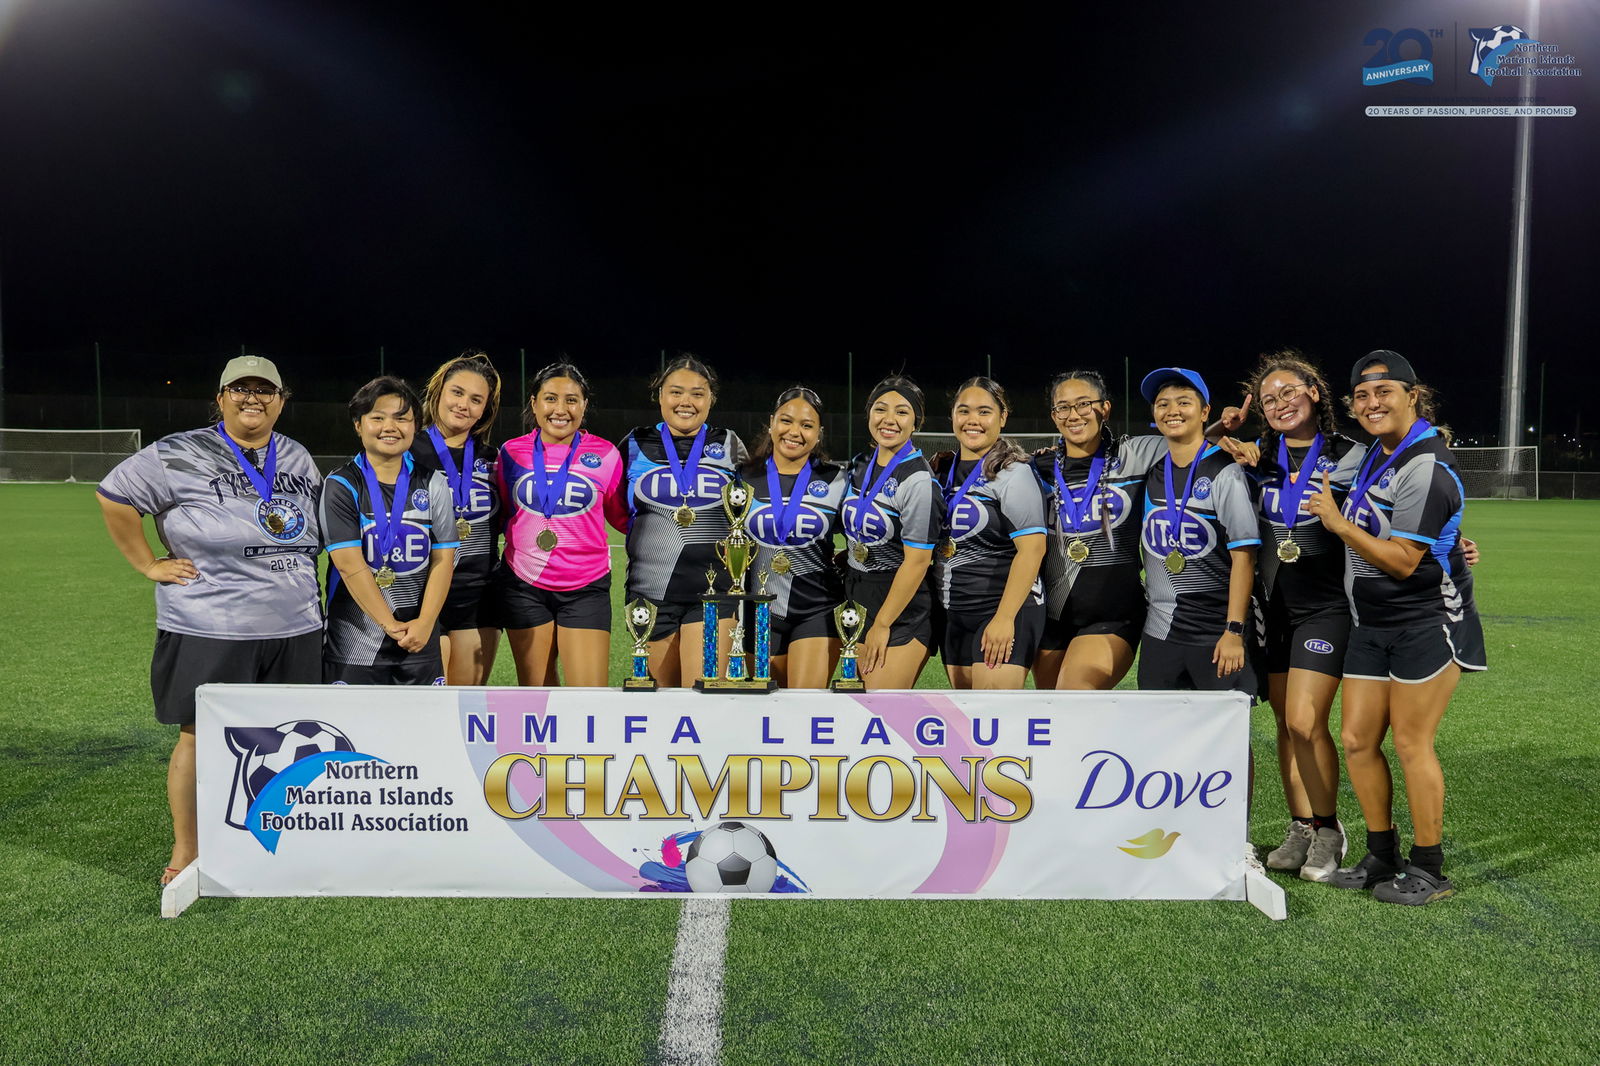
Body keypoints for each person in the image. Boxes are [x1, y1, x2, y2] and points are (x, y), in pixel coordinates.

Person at [98, 355, 323, 886]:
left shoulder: (294, 454)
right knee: (197, 738)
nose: (253, 398)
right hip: (210, 622)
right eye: (240, 389)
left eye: (265, 390)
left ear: (281, 400)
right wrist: (147, 562)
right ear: (220, 398)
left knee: (287, 737)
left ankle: (275, 841)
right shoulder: (177, 450)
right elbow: (114, 496)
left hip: (294, 624)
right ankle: (188, 851)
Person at [1307, 350, 1485, 905]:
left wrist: (1336, 524)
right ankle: (1381, 854)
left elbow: (1405, 560)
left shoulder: (1425, 464)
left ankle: (1429, 869)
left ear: (1413, 395)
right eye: (1361, 395)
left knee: (1411, 742)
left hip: (1427, 622)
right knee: (1358, 740)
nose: (1371, 403)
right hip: (1372, 623)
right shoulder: (1375, 456)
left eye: (1384, 392)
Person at [1222, 352, 1367, 882]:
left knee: (1307, 721)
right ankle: (1302, 826)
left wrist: (1453, 543)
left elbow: (1395, 504)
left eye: (1288, 393)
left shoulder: (1353, 456)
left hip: (1326, 608)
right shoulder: (1258, 456)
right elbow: (1195, 452)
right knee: (1286, 724)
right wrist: (1223, 426)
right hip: (1272, 609)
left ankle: (1329, 829)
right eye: (1268, 399)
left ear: (1313, 392)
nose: (1279, 404)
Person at [1030, 370, 1169, 691]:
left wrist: (1229, 437)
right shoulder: (1037, 469)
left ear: (1105, 408)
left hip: (1113, 615)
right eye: (1062, 407)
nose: (1073, 414)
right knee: (1052, 713)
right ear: (1053, 416)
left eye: (1083, 404)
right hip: (1052, 615)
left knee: (1074, 694)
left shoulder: (1137, 453)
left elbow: (1189, 443)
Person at [495, 362, 629, 686]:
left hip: (586, 586)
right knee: (538, 694)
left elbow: (622, 516)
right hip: (524, 585)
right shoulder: (511, 453)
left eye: (571, 400)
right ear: (534, 403)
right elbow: (502, 514)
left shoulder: (606, 454)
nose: (561, 409)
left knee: (589, 698)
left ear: (584, 404)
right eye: (550, 398)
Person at [321, 376, 458, 684]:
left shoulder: (433, 482)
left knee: (420, 729)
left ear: (415, 426)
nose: (390, 427)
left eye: (402, 418)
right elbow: (349, 565)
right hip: (354, 642)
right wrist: (389, 624)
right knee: (352, 730)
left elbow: (443, 559)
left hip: (420, 640)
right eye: (377, 417)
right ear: (358, 424)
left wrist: (425, 623)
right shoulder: (341, 484)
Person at [623, 354, 748, 686]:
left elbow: (748, 510)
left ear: (711, 399)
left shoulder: (730, 444)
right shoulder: (634, 443)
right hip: (651, 592)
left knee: (703, 700)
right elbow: (615, 508)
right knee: (661, 706)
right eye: (676, 392)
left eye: (698, 393)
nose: (686, 402)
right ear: (660, 395)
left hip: (715, 593)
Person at [1136, 367, 1260, 694]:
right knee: (1160, 737)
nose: (1172, 411)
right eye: (1162, 404)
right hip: (1160, 633)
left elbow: (1244, 557)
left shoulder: (1226, 470)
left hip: (1215, 634)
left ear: (1205, 411)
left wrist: (1234, 631)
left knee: (1226, 741)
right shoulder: (1149, 467)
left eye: (1183, 402)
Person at [930, 377, 1047, 689]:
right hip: (954, 613)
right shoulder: (941, 470)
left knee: (993, 721)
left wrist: (1005, 618)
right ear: (952, 416)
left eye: (984, 412)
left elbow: (1032, 549)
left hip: (1003, 610)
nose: (973, 421)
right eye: (964, 411)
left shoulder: (1013, 472)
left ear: (1002, 417)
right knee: (968, 721)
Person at [739, 386, 849, 688]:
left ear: (819, 433)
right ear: (772, 423)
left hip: (817, 610)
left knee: (805, 707)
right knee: (765, 711)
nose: (794, 431)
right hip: (756, 611)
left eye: (807, 425)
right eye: (786, 421)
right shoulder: (743, 477)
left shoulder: (838, 480)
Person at [840, 374, 942, 689]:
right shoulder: (859, 465)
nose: (889, 419)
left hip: (899, 606)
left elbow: (917, 562)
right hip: (856, 597)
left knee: (881, 708)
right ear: (869, 414)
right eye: (881, 409)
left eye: (902, 412)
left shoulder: (918, 480)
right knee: (858, 707)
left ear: (916, 422)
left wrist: (883, 623)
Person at [414, 352, 503, 684]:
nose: (464, 404)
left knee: (467, 705)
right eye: (457, 392)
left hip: (479, 596)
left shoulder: (494, 460)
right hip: (422, 592)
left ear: (486, 410)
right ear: (438, 393)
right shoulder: (408, 451)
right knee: (429, 705)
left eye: (476, 399)